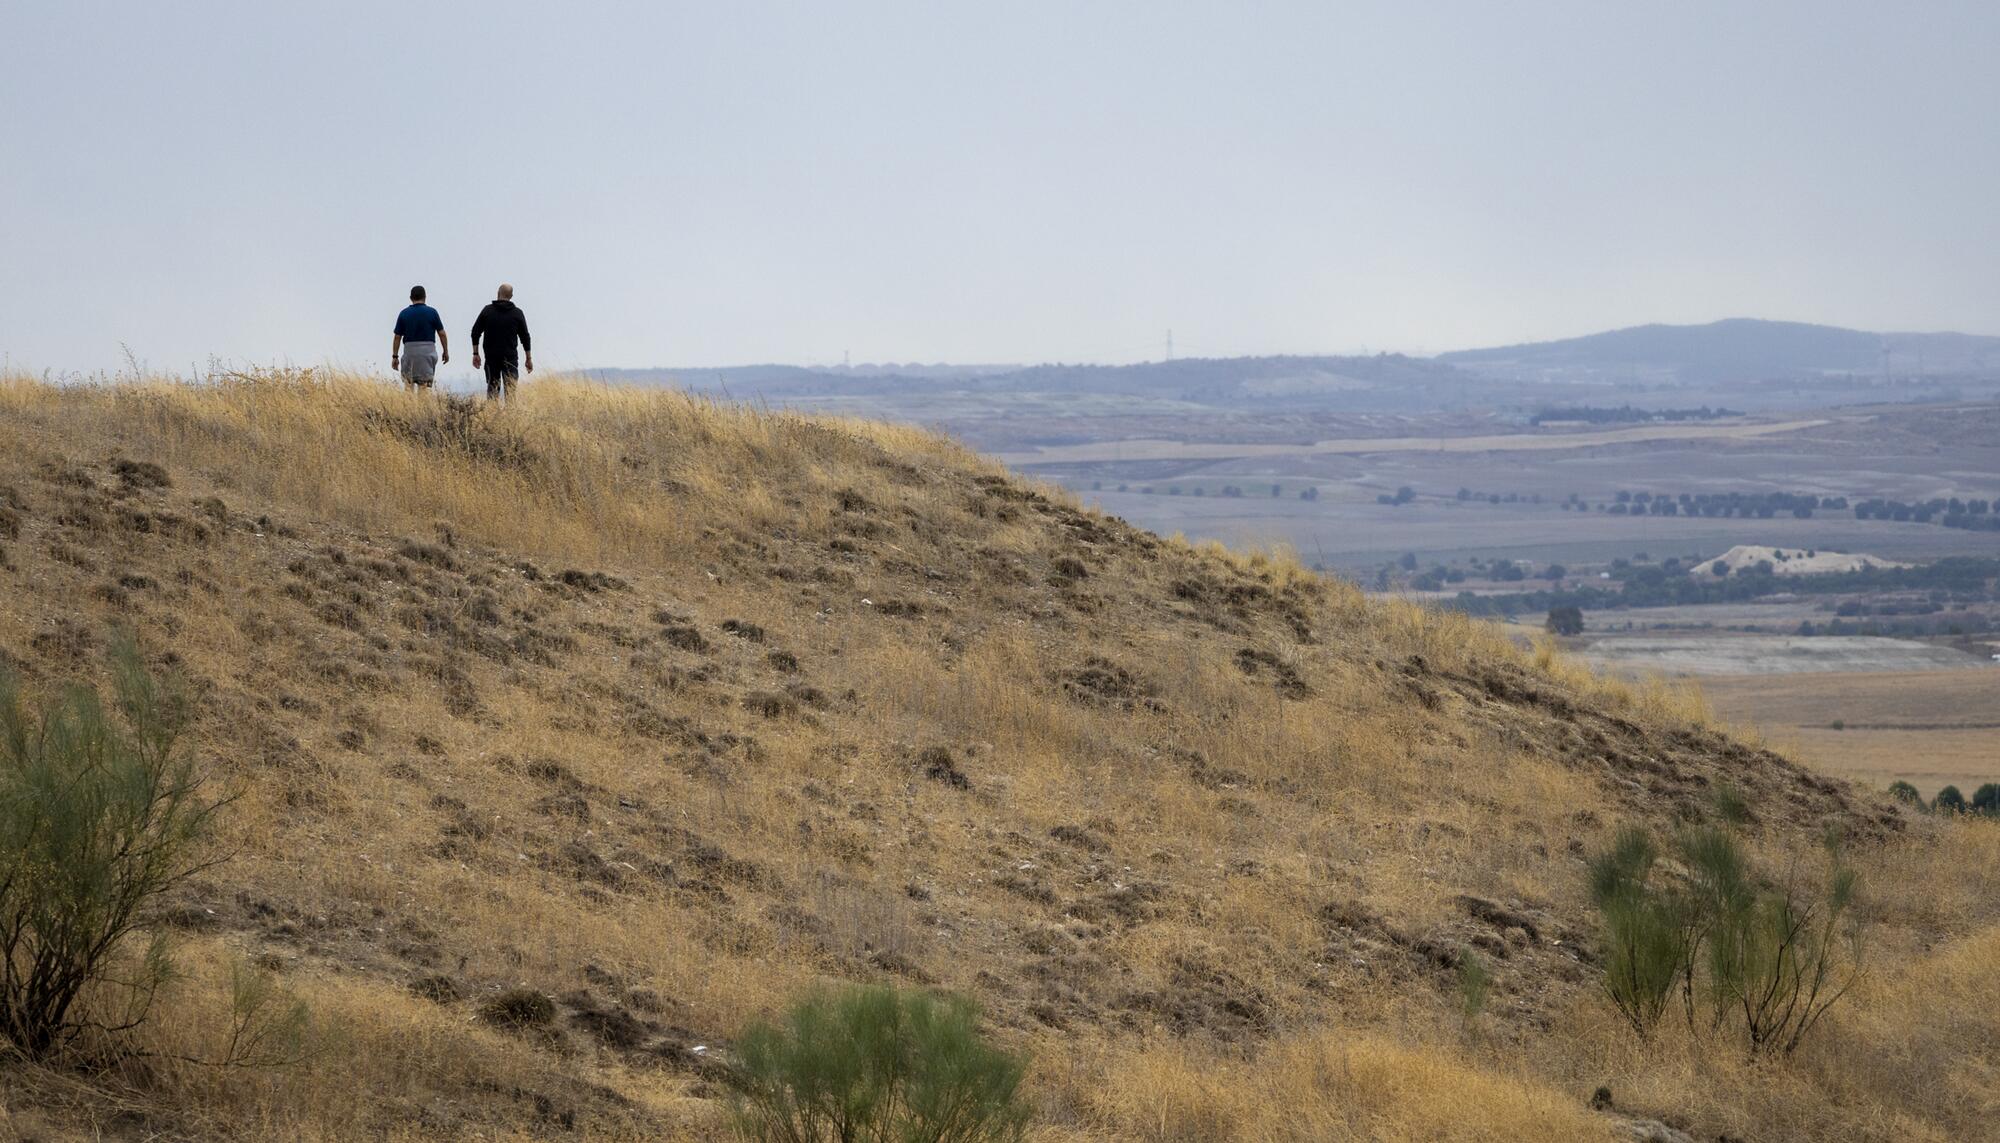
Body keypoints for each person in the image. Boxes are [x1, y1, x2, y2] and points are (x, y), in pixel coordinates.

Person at [470, 283, 533, 401]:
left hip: (491, 357)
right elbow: (525, 337)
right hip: (510, 358)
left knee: (492, 390)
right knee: (510, 390)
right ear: (511, 296)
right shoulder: (517, 313)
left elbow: (475, 332)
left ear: (498, 293)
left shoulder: (487, 311)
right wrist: (528, 358)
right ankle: (510, 417)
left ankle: (492, 416)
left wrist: (475, 353)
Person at [391, 286, 448, 388]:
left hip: (410, 352)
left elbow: (397, 337)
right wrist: (445, 351)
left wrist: (395, 356)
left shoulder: (404, 313)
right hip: (427, 353)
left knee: (408, 385)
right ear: (425, 297)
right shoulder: (432, 312)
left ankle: (409, 403)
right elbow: (442, 334)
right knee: (424, 386)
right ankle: (423, 404)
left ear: (410, 298)